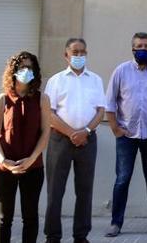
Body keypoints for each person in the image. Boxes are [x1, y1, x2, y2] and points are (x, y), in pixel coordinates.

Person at [104, 31, 147, 238]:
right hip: (126, 136)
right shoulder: (121, 71)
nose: (142, 49)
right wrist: (116, 129)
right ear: (132, 49)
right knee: (122, 180)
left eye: (146, 46)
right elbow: (109, 103)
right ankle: (116, 223)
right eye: (139, 46)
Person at [43, 38, 104, 243]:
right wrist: (71, 133)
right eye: (75, 52)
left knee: (85, 190)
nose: (79, 56)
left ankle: (81, 235)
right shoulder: (56, 80)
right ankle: (53, 235)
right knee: (55, 190)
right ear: (66, 55)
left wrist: (85, 131)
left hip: (87, 140)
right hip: (60, 140)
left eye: (82, 52)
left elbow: (101, 110)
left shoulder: (95, 79)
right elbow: (49, 114)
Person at [0, 51, 52, 243]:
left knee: (30, 217)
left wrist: (31, 159)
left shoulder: (42, 100)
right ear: (13, 71)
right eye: (22, 67)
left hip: (33, 167)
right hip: (5, 167)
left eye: (30, 67)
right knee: (3, 218)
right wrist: (3, 160)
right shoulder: (1, 100)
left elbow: (45, 133)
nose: (26, 71)